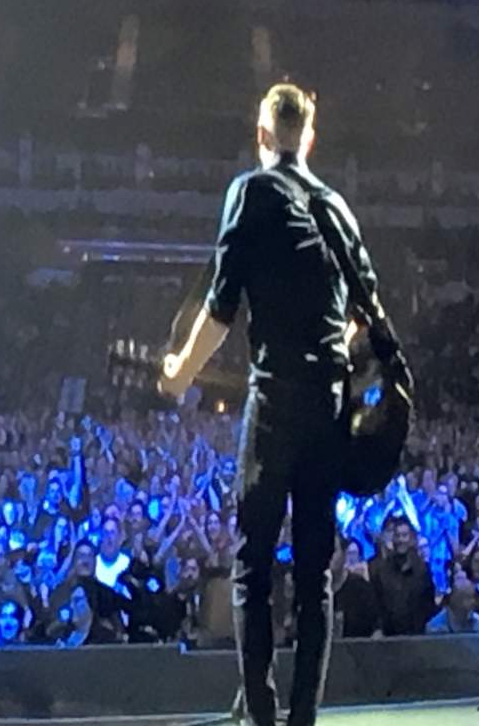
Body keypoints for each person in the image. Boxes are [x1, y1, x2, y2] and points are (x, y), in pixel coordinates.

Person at [160, 83, 401, 726]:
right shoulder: (337, 207)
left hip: (274, 401)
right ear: (309, 137)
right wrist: (329, 351)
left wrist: (181, 373)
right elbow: (367, 317)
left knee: (254, 563)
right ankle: (303, 719)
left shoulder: (251, 191)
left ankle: (259, 713)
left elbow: (221, 303)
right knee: (316, 571)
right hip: (328, 405)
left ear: (262, 135)